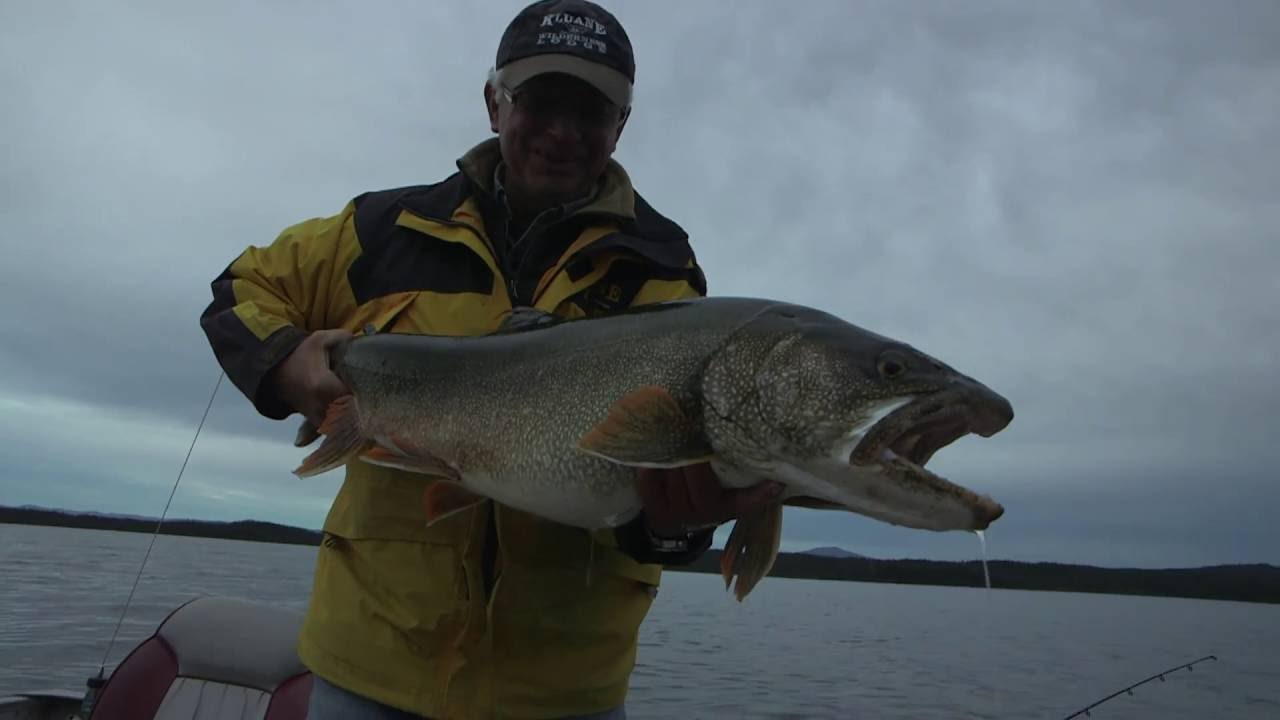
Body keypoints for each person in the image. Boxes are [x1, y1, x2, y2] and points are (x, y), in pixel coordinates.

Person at [200, 1, 781, 718]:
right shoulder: (378, 230)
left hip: (562, 692)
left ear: (621, 125)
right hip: (368, 668)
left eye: (592, 110)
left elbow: (648, 510)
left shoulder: (661, 271)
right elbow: (240, 290)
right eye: (541, 101)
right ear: (493, 102)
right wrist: (285, 363)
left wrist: (675, 521)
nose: (563, 132)